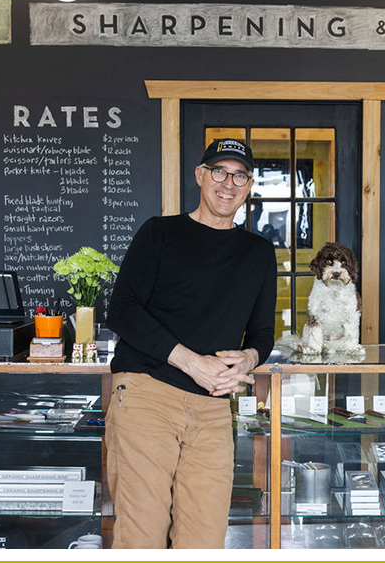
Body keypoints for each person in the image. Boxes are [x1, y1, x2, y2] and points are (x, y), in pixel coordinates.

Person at [105, 138, 277, 550]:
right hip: (148, 396)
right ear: (200, 176)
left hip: (213, 408)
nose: (228, 183)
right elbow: (122, 311)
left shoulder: (258, 252)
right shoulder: (159, 232)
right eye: (219, 171)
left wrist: (249, 359)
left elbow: (262, 335)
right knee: (141, 536)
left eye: (239, 175)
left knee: (204, 539)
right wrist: (191, 362)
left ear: (249, 185)